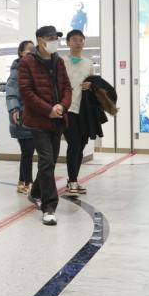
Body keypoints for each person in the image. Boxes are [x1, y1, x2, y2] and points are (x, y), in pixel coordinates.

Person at [17, 25, 72, 226]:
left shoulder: (58, 61)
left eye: (56, 38)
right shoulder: (27, 62)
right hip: (38, 120)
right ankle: (49, 207)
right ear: (40, 40)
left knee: (50, 162)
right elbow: (26, 92)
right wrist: (48, 109)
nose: (54, 41)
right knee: (47, 160)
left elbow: (67, 88)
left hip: (57, 119)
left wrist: (61, 106)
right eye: (51, 38)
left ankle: (35, 193)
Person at [61, 29, 94, 195]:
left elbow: (93, 83)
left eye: (81, 40)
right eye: (74, 39)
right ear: (68, 42)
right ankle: (72, 181)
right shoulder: (61, 61)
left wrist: (92, 85)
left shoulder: (88, 63)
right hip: (68, 109)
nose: (78, 42)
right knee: (73, 144)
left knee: (81, 146)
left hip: (84, 111)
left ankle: (73, 180)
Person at [4, 40, 35, 195]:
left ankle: (22, 182)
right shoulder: (18, 69)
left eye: (34, 49)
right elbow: (11, 91)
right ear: (21, 53)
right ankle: (28, 183)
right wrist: (14, 109)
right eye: (29, 49)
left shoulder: (34, 68)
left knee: (27, 151)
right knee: (28, 151)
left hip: (33, 117)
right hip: (22, 116)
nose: (32, 52)